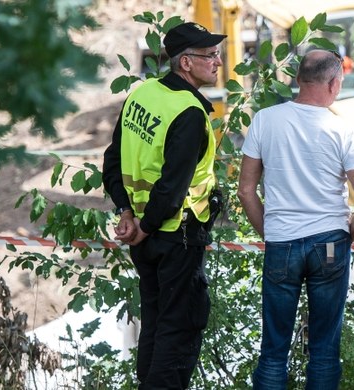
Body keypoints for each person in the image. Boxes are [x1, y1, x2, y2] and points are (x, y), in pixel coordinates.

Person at [237, 49, 354, 389]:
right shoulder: (343, 130)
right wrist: (344, 239)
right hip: (329, 244)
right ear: (334, 83)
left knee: (273, 351)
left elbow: (245, 191)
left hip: (282, 242)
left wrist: (271, 232)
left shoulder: (264, 120)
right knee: (325, 351)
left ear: (298, 80)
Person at [102, 21, 226, 389]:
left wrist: (127, 212)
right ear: (186, 63)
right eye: (211, 55)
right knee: (179, 330)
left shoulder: (142, 95)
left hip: (147, 237)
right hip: (177, 236)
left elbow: (112, 160)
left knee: (155, 325)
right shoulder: (188, 112)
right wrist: (145, 224)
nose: (218, 62)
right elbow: (172, 189)